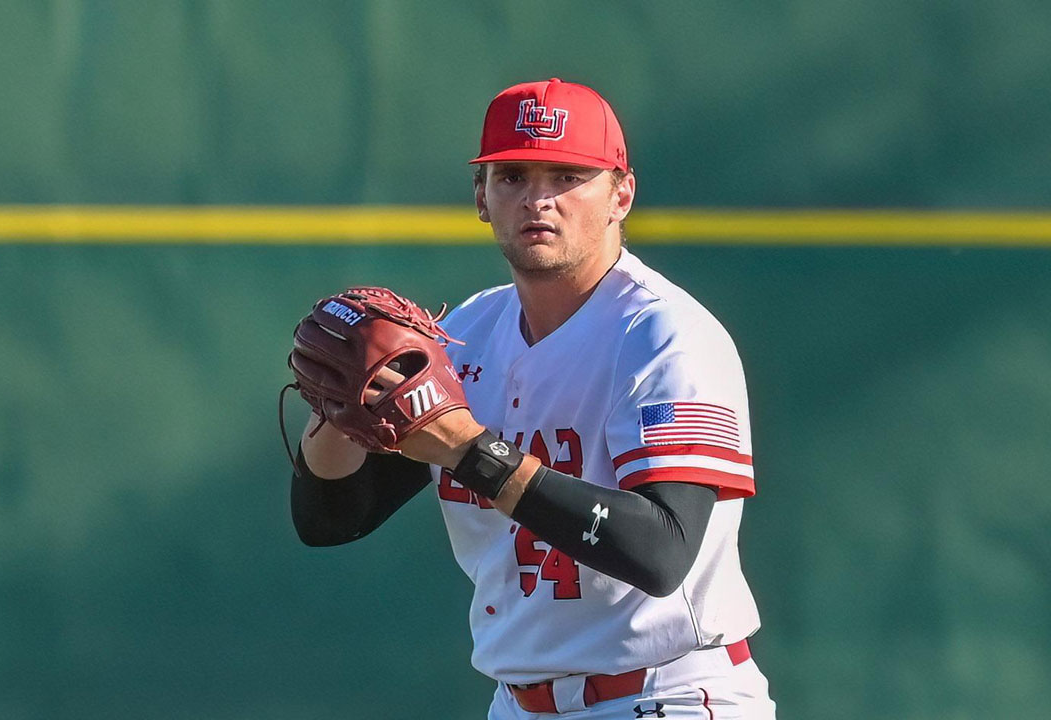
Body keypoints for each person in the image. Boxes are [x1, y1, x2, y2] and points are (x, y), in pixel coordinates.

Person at [289, 78, 776, 719]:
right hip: (519, 704)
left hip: (666, 695)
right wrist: (340, 417)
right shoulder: (468, 335)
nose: (538, 199)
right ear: (482, 198)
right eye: (512, 176)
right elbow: (332, 520)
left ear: (620, 194)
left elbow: (661, 552)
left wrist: (469, 450)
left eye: (567, 174)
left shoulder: (664, 336)